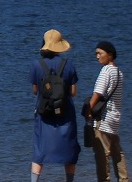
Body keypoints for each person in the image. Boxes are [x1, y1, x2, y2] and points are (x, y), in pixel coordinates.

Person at [31, 28, 80, 182]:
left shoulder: (36, 65)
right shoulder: (69, 65)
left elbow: (35, 91)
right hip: (65, 113)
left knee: (39, 151)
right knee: (69, 150)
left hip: (44, 113)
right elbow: (73, 92)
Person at [85, 40, 130, 182]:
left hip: (104, 119)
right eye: (96, 54)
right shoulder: (119, 72)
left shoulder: (105, 71)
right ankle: (124, 179)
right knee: (117, 152)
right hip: (115, 118)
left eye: (100, 53)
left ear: (110, 55)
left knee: (101, 154)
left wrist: (88, 110)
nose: (97, 56)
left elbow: (97, 93)